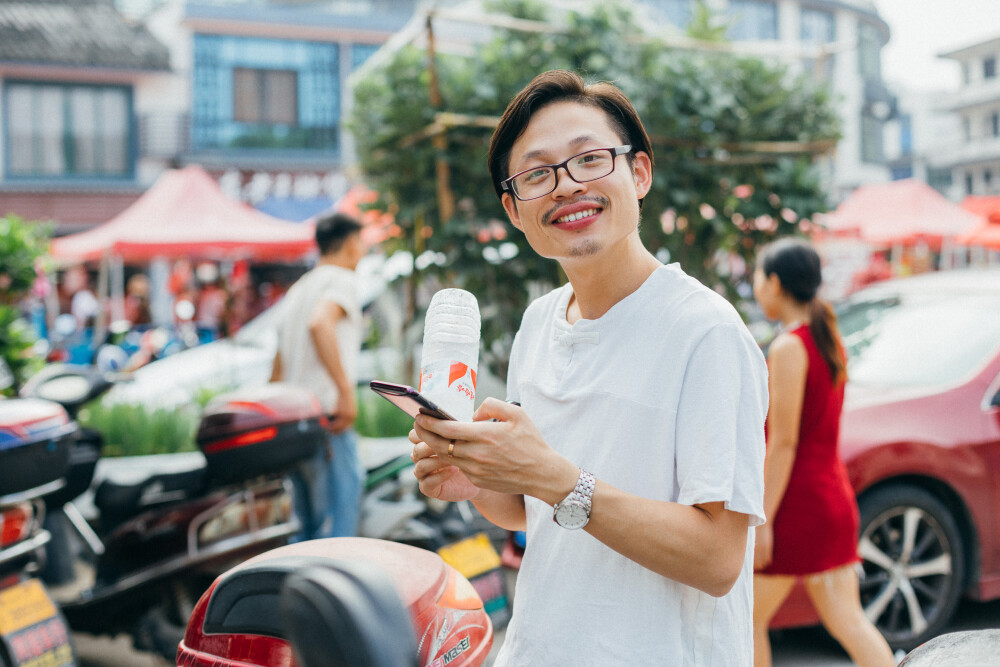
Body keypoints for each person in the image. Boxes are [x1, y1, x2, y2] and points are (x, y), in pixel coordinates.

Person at [410, 70, 768, 665]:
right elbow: (532, 505)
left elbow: (718, 560)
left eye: (589, 159)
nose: (567, 186)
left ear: (640, 173)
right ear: (515, 209)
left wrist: (556, 477)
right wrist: (476, 480)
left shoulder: (706, 332)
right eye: (537, 174)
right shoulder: (540, 321)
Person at [750, 238, 895, 667]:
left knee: (746, 622)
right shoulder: (825, 335)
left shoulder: (790, 346)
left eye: (759, 277)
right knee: (848, 621)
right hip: (829, 499)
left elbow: (784, 443)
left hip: (799, 506)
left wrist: (762, 520)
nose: (757, 287)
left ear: (775, 283)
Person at [271, 212, 367, 540]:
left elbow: (278, 362)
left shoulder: (298, 289)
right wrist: (344, 391)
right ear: (352, 244)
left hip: (294, 426)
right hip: (327, 420)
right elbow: (320, 323)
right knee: (337, 531)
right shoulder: (341, 279)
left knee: (305, 530)